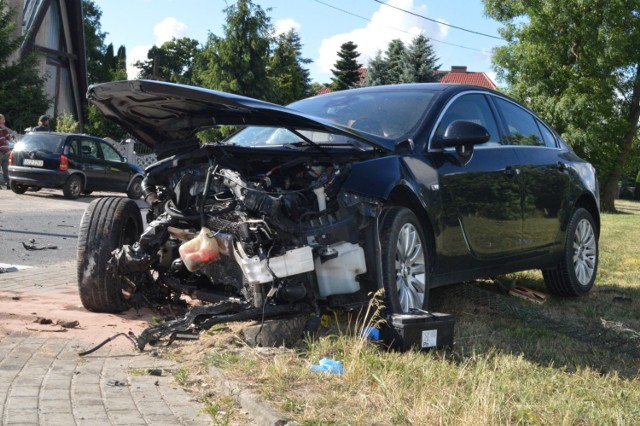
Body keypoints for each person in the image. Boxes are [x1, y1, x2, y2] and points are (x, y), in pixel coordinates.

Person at [0, 113, 14, 189]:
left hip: (6, 152)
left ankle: (8, 184)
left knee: (6, 169)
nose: (4, 121)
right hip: (0, 151)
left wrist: (6, 130)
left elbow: (8, 138)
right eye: (3, 119)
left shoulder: (4, 129)